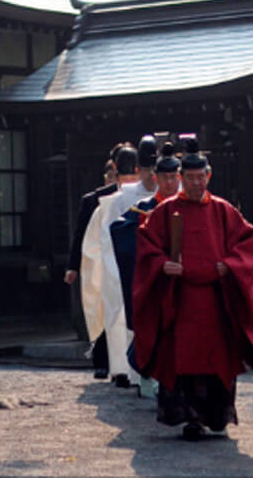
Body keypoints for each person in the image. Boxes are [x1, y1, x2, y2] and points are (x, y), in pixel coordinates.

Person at [133, 137, 253, 440]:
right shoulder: (166, 211)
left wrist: (230, 265)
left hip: (215, 298)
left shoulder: (223, 210)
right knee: (183, 358)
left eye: (200, 177)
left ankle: (216, 416)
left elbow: (246, 242)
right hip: (180, 298)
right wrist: (162, 264)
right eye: (190, 178)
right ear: (181, 178)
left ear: (209, 176)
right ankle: (190, 418)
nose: (195, 183)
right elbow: (147, 244)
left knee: (216, 357)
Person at [109, 140, 181, 396]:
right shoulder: (144, 209)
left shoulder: (191, 206)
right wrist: (145, 230)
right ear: (156, 178)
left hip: (187, 280)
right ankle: (149, 379)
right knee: (154, 330)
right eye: (165, 178)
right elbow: (119, 231)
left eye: (174, 177)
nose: (170, 183)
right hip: (155, 282)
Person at [79, 143, 146, 387]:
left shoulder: (150, 197)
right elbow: (93, 243)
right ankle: (120, 368)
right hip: (115, 267)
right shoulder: (107, 203)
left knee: (135, 318)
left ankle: (136, 370)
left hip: (136, 265)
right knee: (117, 319)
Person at [65, 142, 129, 379]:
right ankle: (102, 360)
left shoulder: (136, 195)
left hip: (125, 260)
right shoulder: (95, 199)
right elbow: (81, 235)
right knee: (103, 310)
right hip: (101, 262)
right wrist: (73, 266)